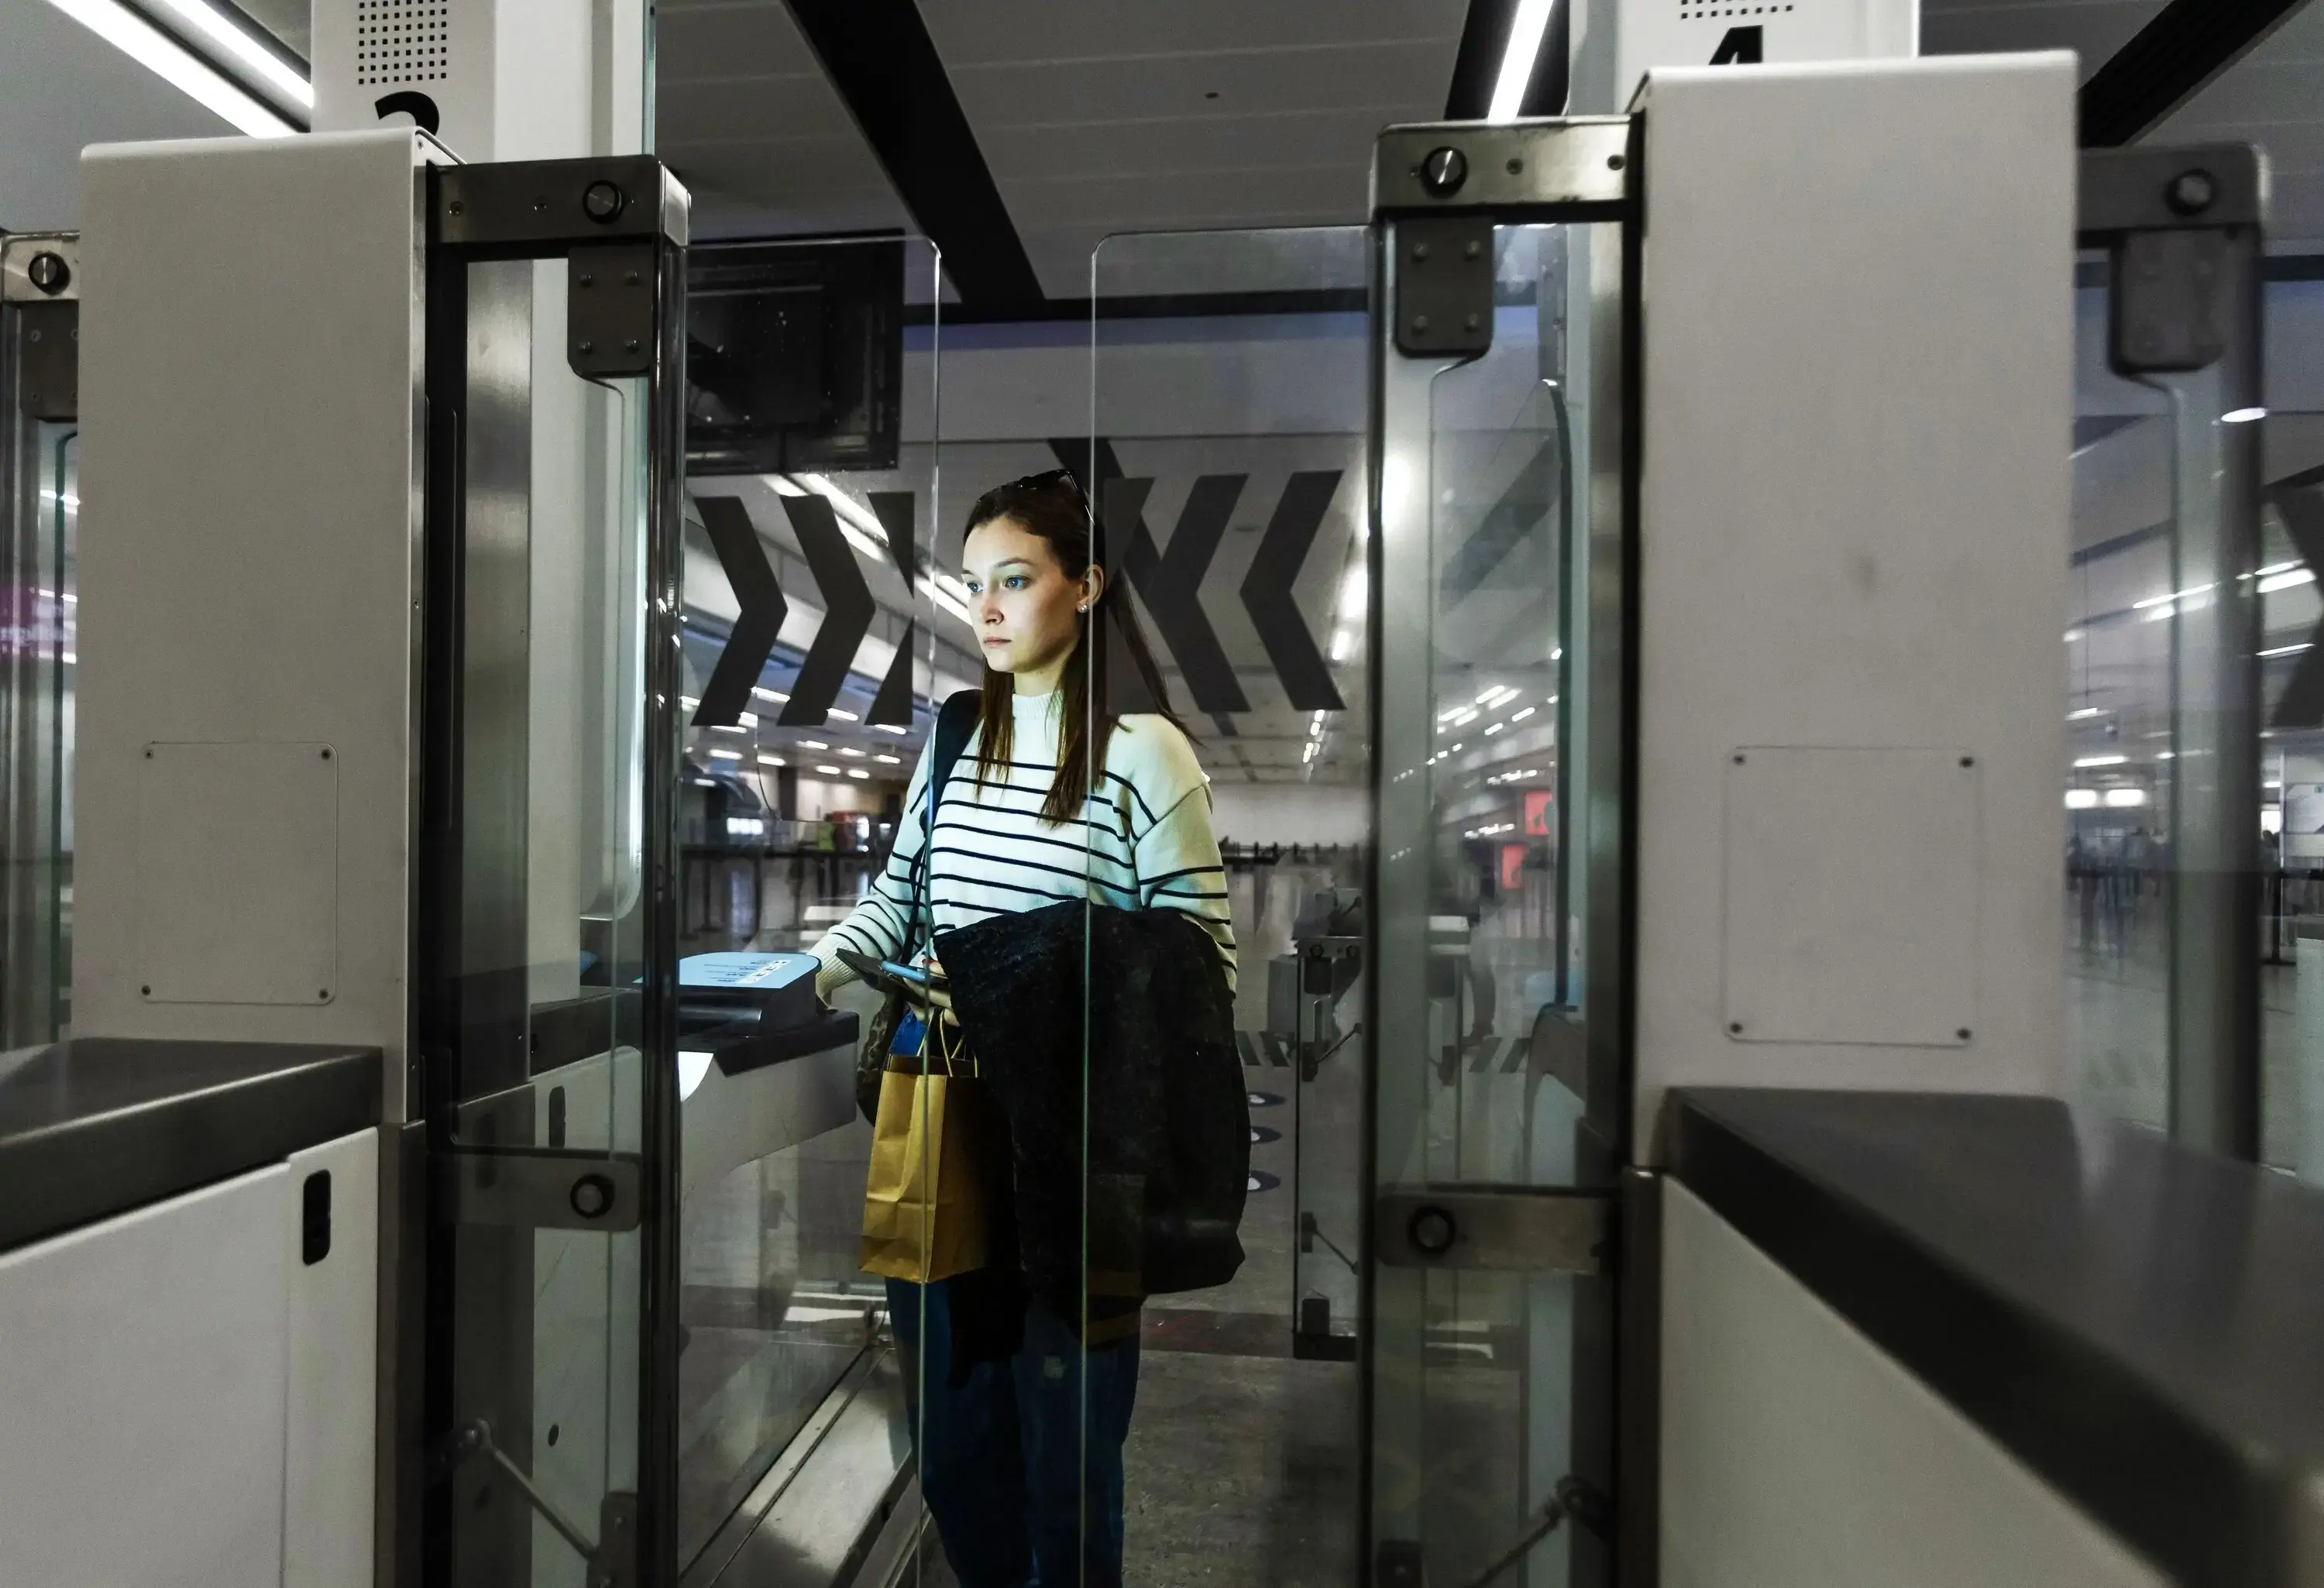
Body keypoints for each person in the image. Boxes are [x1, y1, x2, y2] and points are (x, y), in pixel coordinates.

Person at [808, 469, 1236, 1588]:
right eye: (972, 584)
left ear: (1085, 587)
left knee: (1071, 1456)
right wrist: (826, 958)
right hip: (943, 1108)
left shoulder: (1145, 752)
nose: (987, 607)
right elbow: (902, 893)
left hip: (1078, 1132)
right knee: (953, 1448)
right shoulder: (955, 737)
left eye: (1016, 578)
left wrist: (1025, 970)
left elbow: (1202, 967)